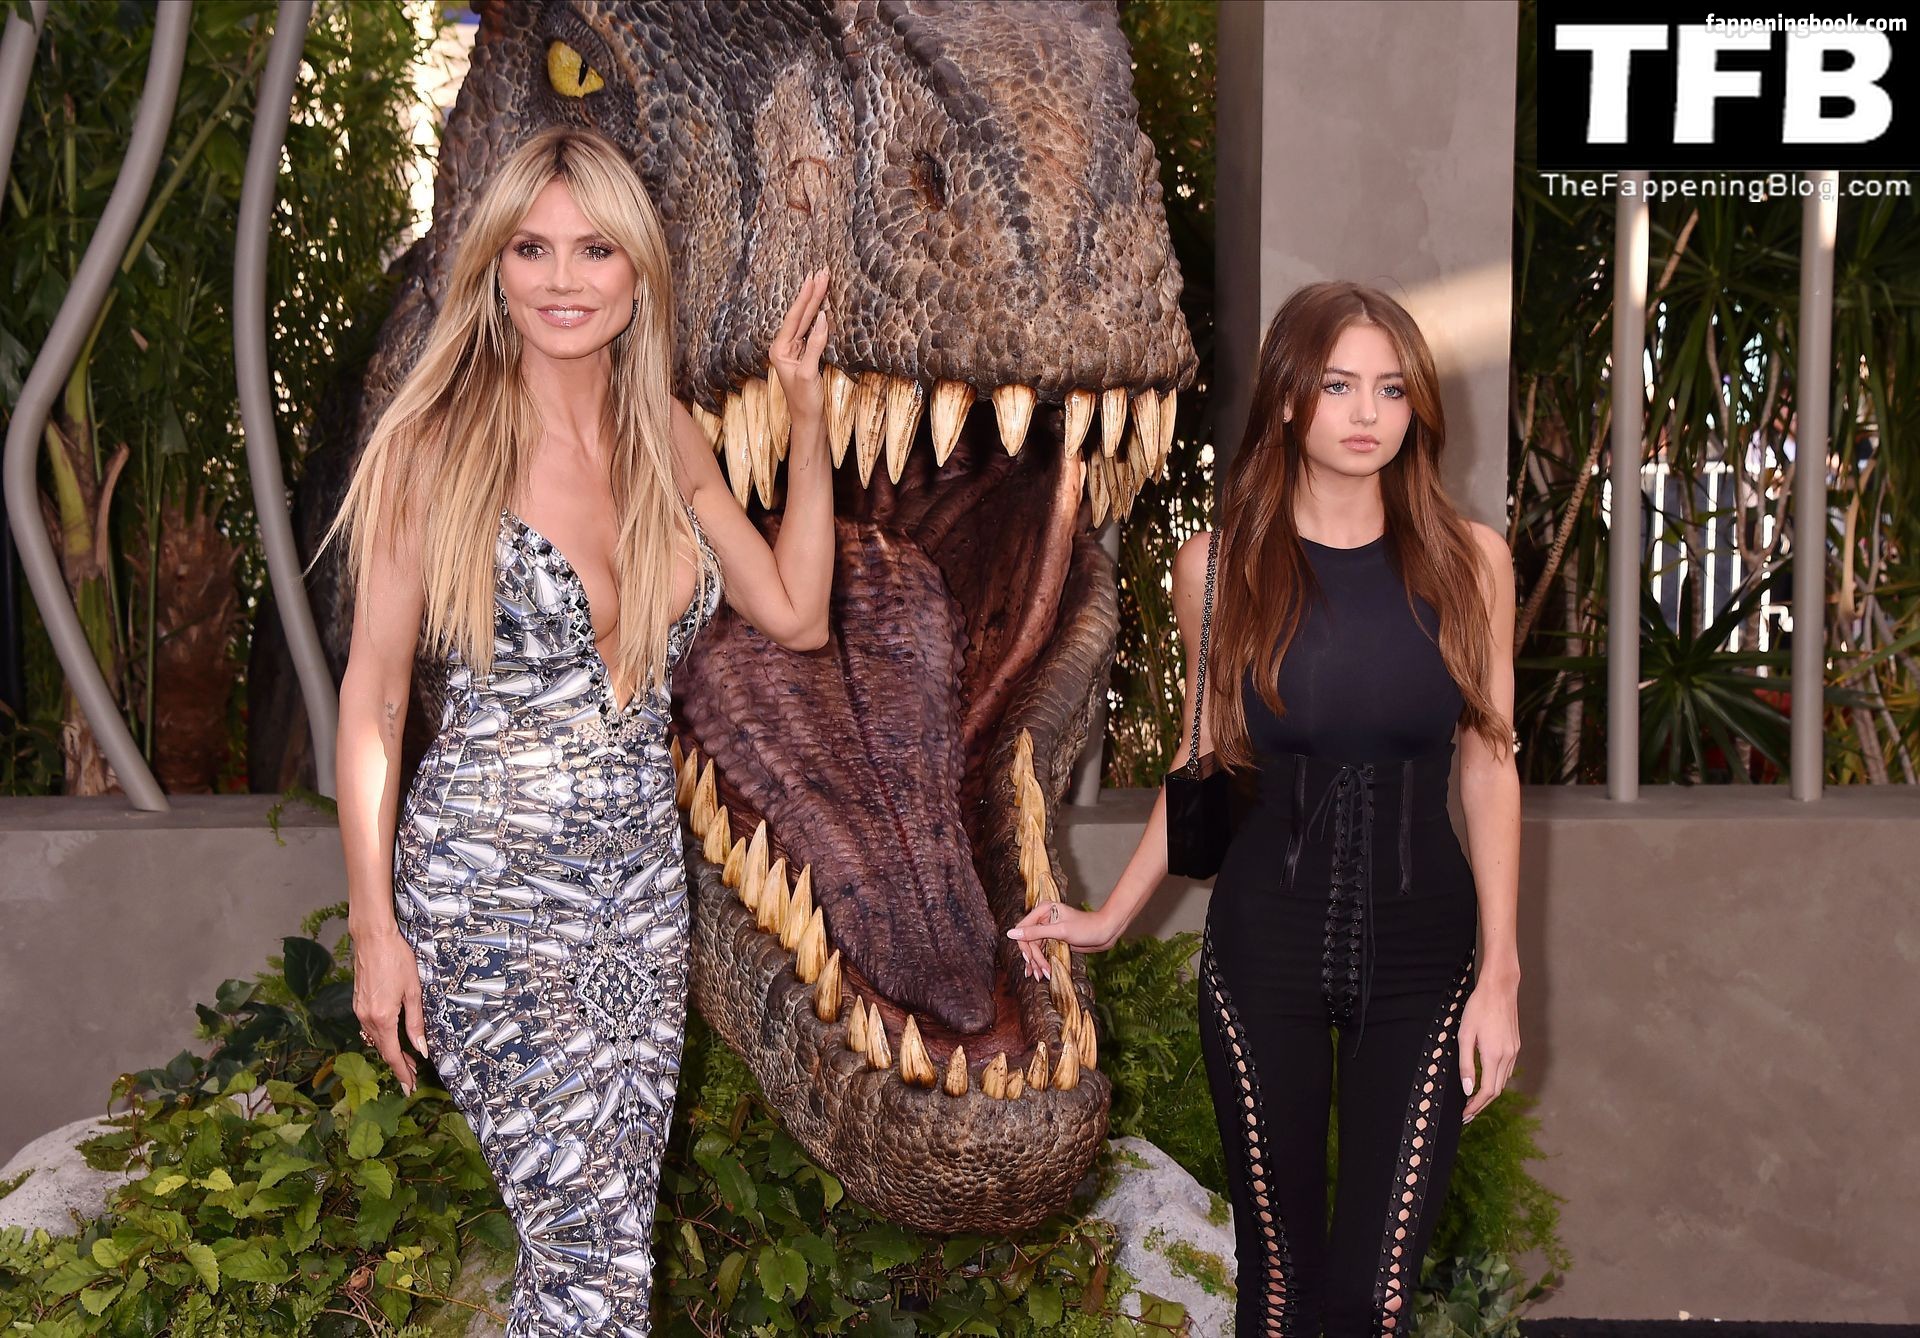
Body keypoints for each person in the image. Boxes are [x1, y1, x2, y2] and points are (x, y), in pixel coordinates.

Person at [325, 126, 835, 1335]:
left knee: (602, 1262)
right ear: (494, 268)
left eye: (595, 249)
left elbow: (797, 614)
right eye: (533, 249)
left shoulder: (666, 434)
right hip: (489, 893)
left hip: (637, 902)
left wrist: (808, 421)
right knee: (587, 1261)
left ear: (638, 270)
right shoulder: (435, 443)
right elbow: (375, 699)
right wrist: (373, 930)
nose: (563, 279)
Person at [1010, 281, 1522, 1336]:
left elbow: (1489, 766)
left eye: (1391, 389)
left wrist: (1502, 975)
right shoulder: (1218, 566)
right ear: (1289, 400)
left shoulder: (1472, 563)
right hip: (1264, 951)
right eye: (1338, 386)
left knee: (1378, 1299)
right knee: (1278, 1291)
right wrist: (1109, 917)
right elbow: (1204, 759)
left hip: (1424, 959)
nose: (1368, 412)